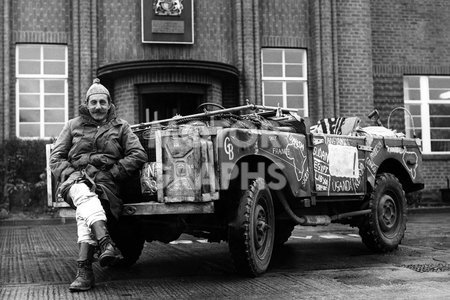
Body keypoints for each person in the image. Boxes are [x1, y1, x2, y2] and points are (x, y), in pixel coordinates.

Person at [50, 78, 148, 292]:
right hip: (74, 180)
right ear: (87, 104)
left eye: (102, 102)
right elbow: (56, 158)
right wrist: (72, 174)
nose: (98, 107)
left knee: (88, 205)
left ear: (109, 104)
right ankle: (105, 242)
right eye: (93, 102)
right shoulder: (72, 126)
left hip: (105, 184)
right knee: (84, 193)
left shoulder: (121, 127)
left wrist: (114, 172)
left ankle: (85, 271)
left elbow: (138, 154)